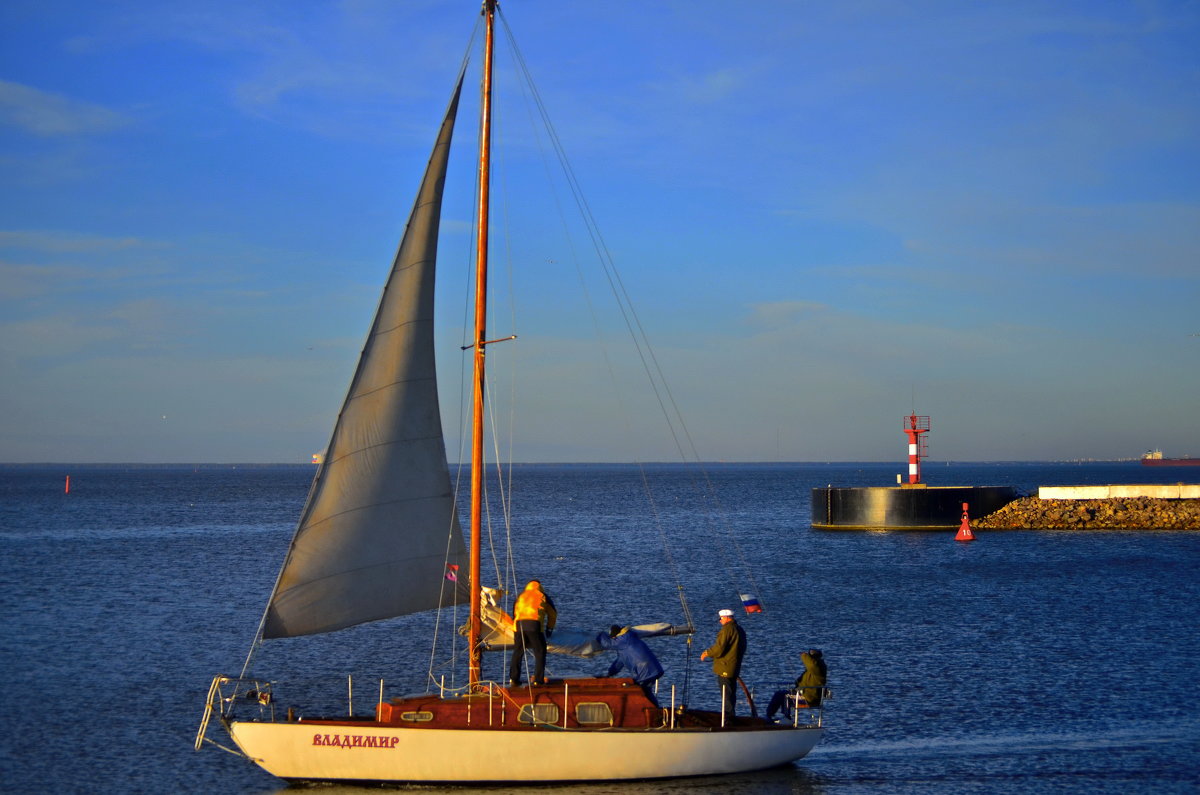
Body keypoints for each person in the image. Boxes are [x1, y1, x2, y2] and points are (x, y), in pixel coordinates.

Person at [597, 625, 665, 706]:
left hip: (646, 670)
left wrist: (599, 634)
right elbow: (620, 662)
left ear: (615, 636)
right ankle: (654, 709)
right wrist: (610, 673)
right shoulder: (625, 643)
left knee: (639, 691)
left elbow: (607, 644)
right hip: (652, 669)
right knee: (645, 692)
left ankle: (652, 710)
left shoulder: (624, 639)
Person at [699, 608, 746, 722]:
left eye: (721, 618)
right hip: (734, 667)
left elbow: (719, 648)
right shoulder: (739, 629)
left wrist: (707, 653)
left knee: (726, 694)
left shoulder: (726, 630)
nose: (720, 621)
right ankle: (731, 716)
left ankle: (728, 718)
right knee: (731, 693)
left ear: (726, 618)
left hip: (725, 667)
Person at [509, 580, 556, 686]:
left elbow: (514, 612)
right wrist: (549, 629)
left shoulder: (521, 596)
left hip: (518, 625)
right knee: (540, 651)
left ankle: (513, 679)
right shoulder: (542, 595)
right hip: (534, 624)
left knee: (518, 652)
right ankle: (538, 680)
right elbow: (553, 614)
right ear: (540, 586)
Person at [766, 649, 827, 721]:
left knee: (786, 697)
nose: (809, 659)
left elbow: (812, 665)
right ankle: (769, 716)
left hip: (809, 699)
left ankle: (787, 718)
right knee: (779, 694)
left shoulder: (818, 668)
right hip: (803, 695)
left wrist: (804, 655)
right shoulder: (813, 670)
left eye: (810, 657)